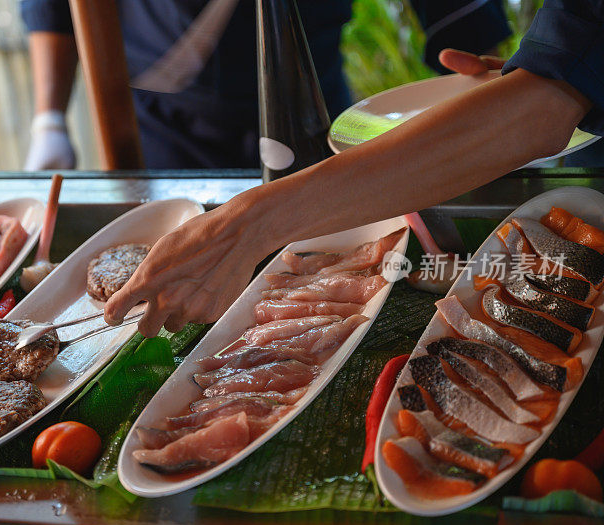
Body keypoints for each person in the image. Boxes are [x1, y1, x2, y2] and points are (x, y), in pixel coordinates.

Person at [104, 0, 604, 337]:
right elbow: (556, 79)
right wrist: (519, 84)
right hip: (162, 108)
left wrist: (246, 226)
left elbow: (542, 108)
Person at [20, 0, 512, 170]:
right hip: (160, 124)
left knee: (323, 259)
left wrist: (481, 88)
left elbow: (462, 26)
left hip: (310, 103)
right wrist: (49, 119)